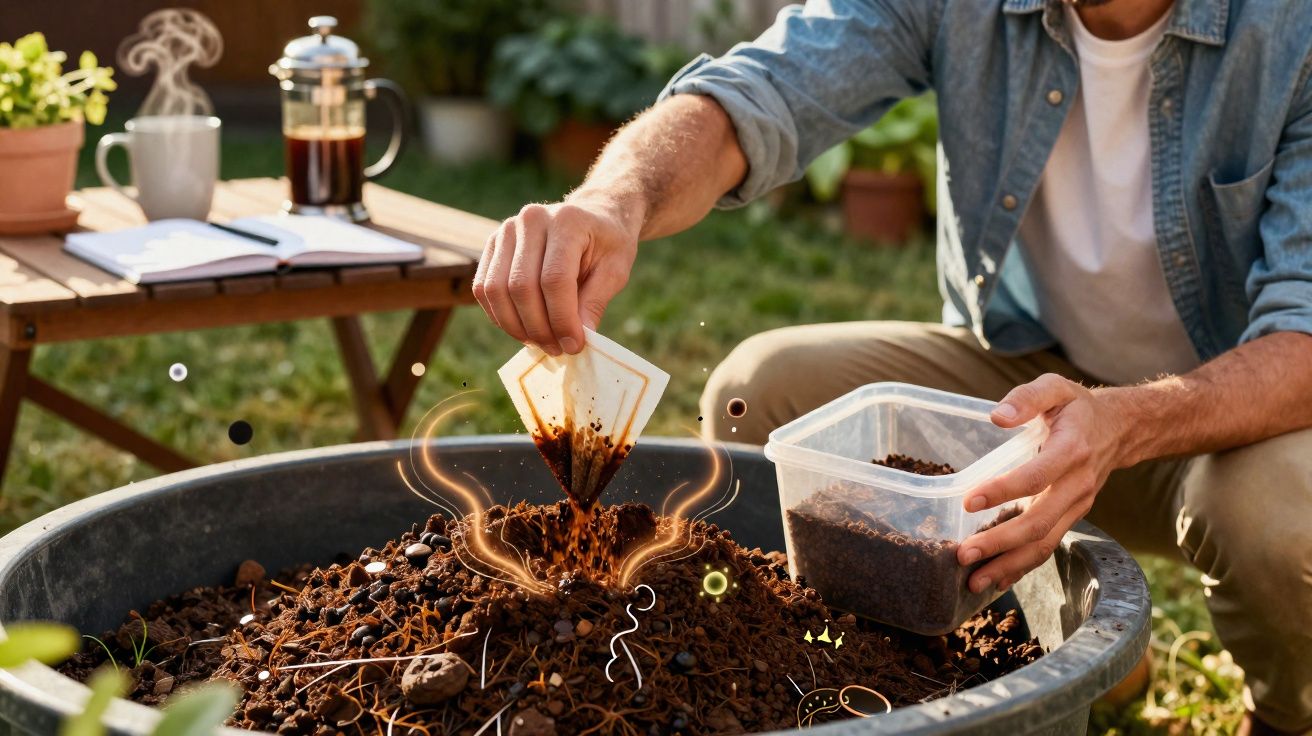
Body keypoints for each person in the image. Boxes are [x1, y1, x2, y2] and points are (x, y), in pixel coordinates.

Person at [471, 0, 1312, 731]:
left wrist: (1123, 423)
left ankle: (1282, 715)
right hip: (1022, 396)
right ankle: (936, 669)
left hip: (1220, 419)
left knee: (1278, 516)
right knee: (756, 397)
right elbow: (755, 95)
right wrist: (612, 199)